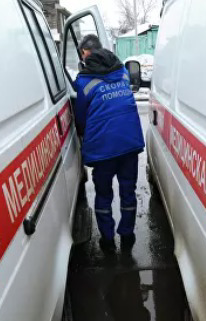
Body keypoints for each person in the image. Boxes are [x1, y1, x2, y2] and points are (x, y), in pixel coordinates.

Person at [73, 34, 145, 253]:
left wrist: (84, 137)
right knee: (128, 192)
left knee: (103, 195)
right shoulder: (122, 72)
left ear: (85, 53)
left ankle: (107, 239)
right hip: (129, 144)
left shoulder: (84, 82)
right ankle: (127, 235)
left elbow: (80, 119)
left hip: (103, 150)